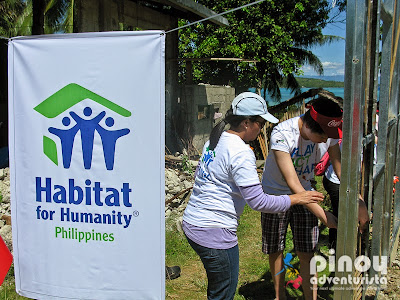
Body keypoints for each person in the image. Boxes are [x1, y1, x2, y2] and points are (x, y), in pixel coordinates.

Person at [182, 92, 326, 300]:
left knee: (218, 288)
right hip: (214, 232)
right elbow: (259, 201)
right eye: (260, 123)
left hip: (194, 222)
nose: (262, 129)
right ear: (247, 122)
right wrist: (299, 198)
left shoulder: (214, 139)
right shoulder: (241, 152)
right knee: (223, 293)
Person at [260, 97, 341, 300]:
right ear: (308, 125)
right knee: (276, 249)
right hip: (276, 195)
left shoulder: (328, 134)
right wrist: (324, 215)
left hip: (307, 192)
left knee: (307, 251)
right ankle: (280, 296)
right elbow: (293, 183)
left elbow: (340, 167)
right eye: (322, 136)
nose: (325, 141)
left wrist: (357, 198)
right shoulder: (282, 133)